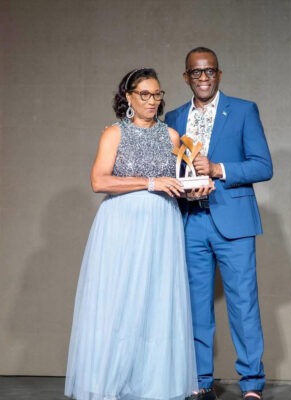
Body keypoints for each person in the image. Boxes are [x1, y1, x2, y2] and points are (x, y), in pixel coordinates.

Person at [65, 68, 210, 400]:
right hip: (122, 224)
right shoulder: (114, 133)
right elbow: (99, 181)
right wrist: (150, 182)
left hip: (162, 225)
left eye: (157, 94)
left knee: (156, 302)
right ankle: (109, 382)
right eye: (144, 94)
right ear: (128, 97)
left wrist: (196, 189)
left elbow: (177, 183)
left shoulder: (171, 136)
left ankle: (152, 385)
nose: (151, 100)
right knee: (119, 300)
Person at [165, 47, 273, 400]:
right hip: (190, 220)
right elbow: (169, 168)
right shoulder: (174, 117)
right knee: (196, 306)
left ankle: (252, 384)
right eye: (196, 72)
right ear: (186, 77)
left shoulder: (243, 110)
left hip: (233, 222)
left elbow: (263, 165)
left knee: (243, 304)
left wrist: (218, 169)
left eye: (209, 71)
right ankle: (201, 382)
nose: (203, 78)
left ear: (219, 74)